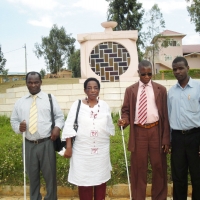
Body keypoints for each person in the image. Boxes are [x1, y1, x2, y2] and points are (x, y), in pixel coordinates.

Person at [118, 60, 170, 200]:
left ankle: (159, 197)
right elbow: (126, 111)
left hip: (156, 131)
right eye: (143, 74)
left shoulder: (161, 90)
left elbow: (165, 115)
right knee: (138, 169)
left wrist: (166, 138)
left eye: (149, 74)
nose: (147, 77)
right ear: (138, 72)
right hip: (139, 132)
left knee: (159, 167)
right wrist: (124, 120)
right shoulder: (131, 90)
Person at [10, 71, 64, 200]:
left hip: (47, 143)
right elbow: (13, 120)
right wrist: (19, 127)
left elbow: (59, 117)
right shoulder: (20, 102)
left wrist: (57, 128)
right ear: (26, 83)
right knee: (32, 176)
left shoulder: (50, 99)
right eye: (30, 82)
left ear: (41, 82)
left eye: (36, 82)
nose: (33, 85)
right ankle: (35, 198)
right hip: (29, 144)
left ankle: (51, 198)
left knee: (50, 176)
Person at [62, 77, 115, 200]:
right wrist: (68, 147)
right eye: (89, 88)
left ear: (99, 90)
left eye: (96, 88)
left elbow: (109, 127)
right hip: (82, 152)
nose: (93, 90)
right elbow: (69, 126)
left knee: (100, 181)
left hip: (101, 153)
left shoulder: (104, 106)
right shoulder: (77, 105)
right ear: (85, 90)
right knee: (84, 181)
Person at [167, 56, 200, 200]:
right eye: (175, 69)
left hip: (196, 136)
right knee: (178, 177)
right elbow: (169, 116)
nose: (177, 71)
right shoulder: (171, 92)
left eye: (180, 68)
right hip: (178, 138)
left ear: (188, 68)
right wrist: (169, 140)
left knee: (197, 176)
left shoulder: (198, 88)